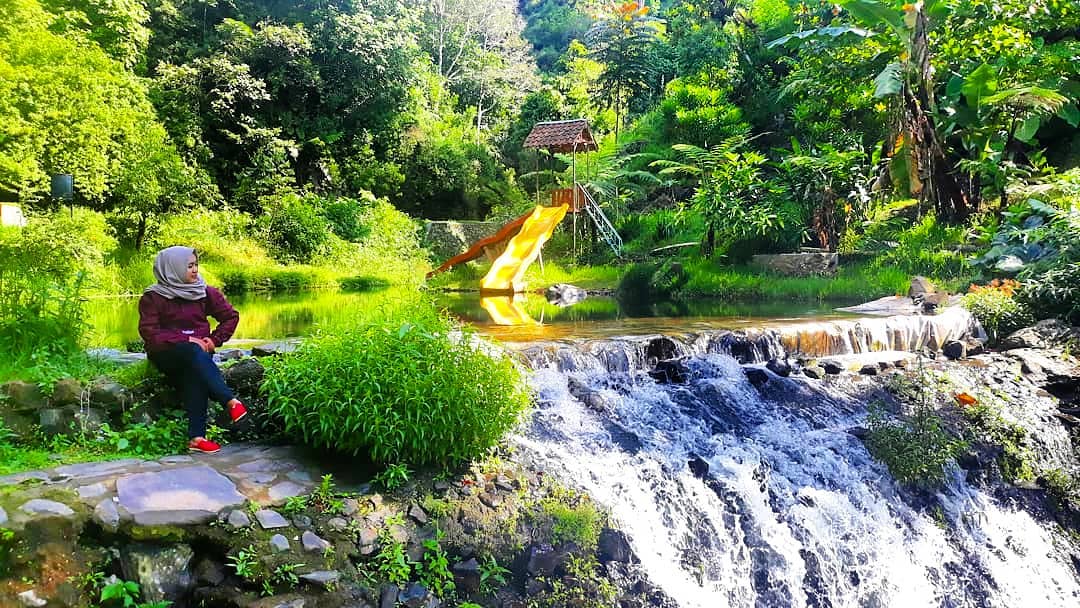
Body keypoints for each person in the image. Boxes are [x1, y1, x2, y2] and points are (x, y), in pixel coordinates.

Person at [138, 246, 247, 454]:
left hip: (199, 355)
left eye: (196, 265)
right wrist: (188, 339)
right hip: (167, 353)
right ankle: (229, 400)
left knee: (195, 367)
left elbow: (230, 316)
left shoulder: (204, 291)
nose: (195, 270)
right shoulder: (153, 297)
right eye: (189, 266)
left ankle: (197, 438)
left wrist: (215, 340)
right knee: (193, 353)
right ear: (173, 268)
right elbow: (150, 333)